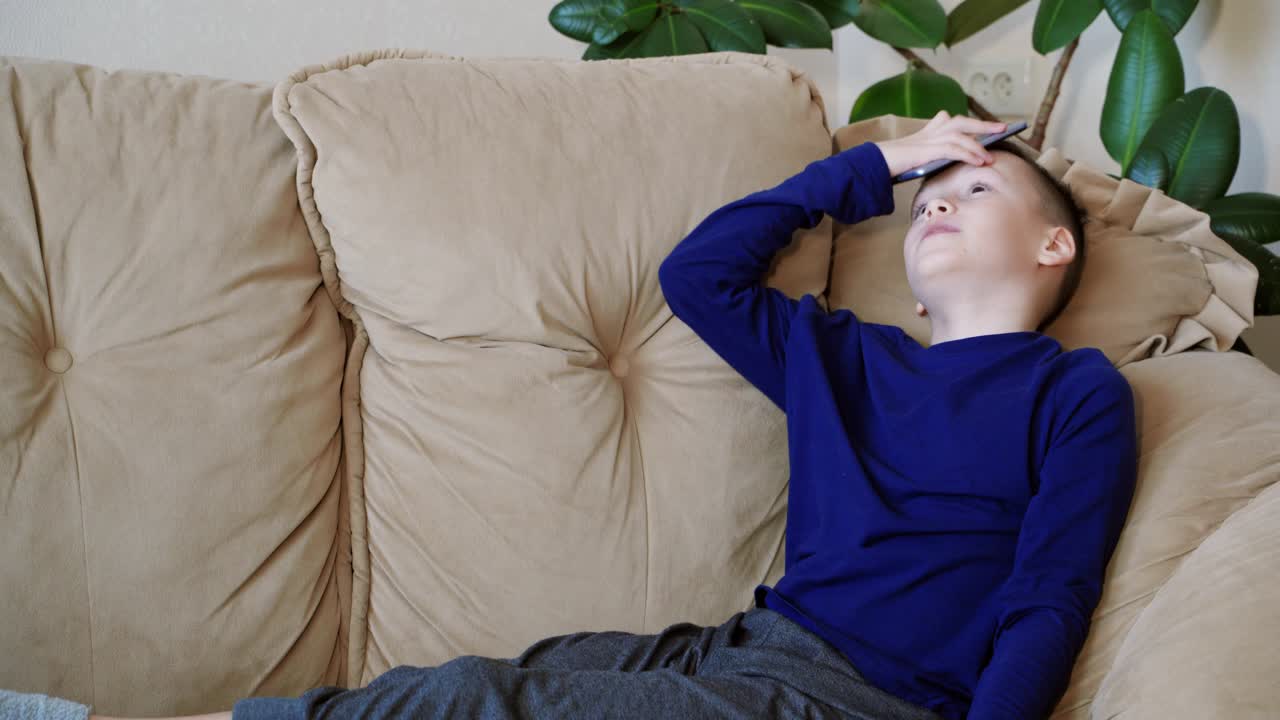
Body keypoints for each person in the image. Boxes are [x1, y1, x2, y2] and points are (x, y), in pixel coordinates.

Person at [2, 111, 1138, 720]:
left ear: (1052, 245)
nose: (936, 202)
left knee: (469, 708)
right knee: (453, 683)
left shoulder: (1076, 392)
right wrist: (872, 165)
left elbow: (1049, 591)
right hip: (745, 646)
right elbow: (700, 277)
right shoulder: (840, 356)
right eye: (926, 198)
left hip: (864, 698)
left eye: (971, 190)